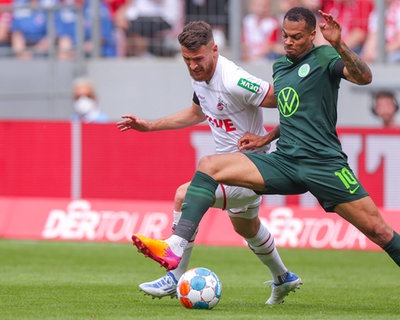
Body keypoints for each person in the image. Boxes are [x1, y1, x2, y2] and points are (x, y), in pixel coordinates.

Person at [132, 7, 400, 314]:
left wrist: (339, 44)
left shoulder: (324, 59)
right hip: (284, 161)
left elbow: (364, 77)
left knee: (380, 231)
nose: (289, 42)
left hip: (325, 165)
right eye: (285, 35)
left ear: (311, 35)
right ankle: (176, 249)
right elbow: (291, 114)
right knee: (209, 165)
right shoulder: (280, 69)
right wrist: (265, 138)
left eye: (297, 37)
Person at [118, 21, 301, 304]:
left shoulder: (235, 80)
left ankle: (174, 274)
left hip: (248, 171)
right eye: (187, 60)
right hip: (231, 172)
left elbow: (288, 100)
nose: (193, 66)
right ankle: (283, 277)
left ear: (214, 49)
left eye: (199, 59)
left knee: (183, 194)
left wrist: (267, 138)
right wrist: (149, 125)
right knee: (247, 230)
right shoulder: (200, 76)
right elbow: (196, 112)